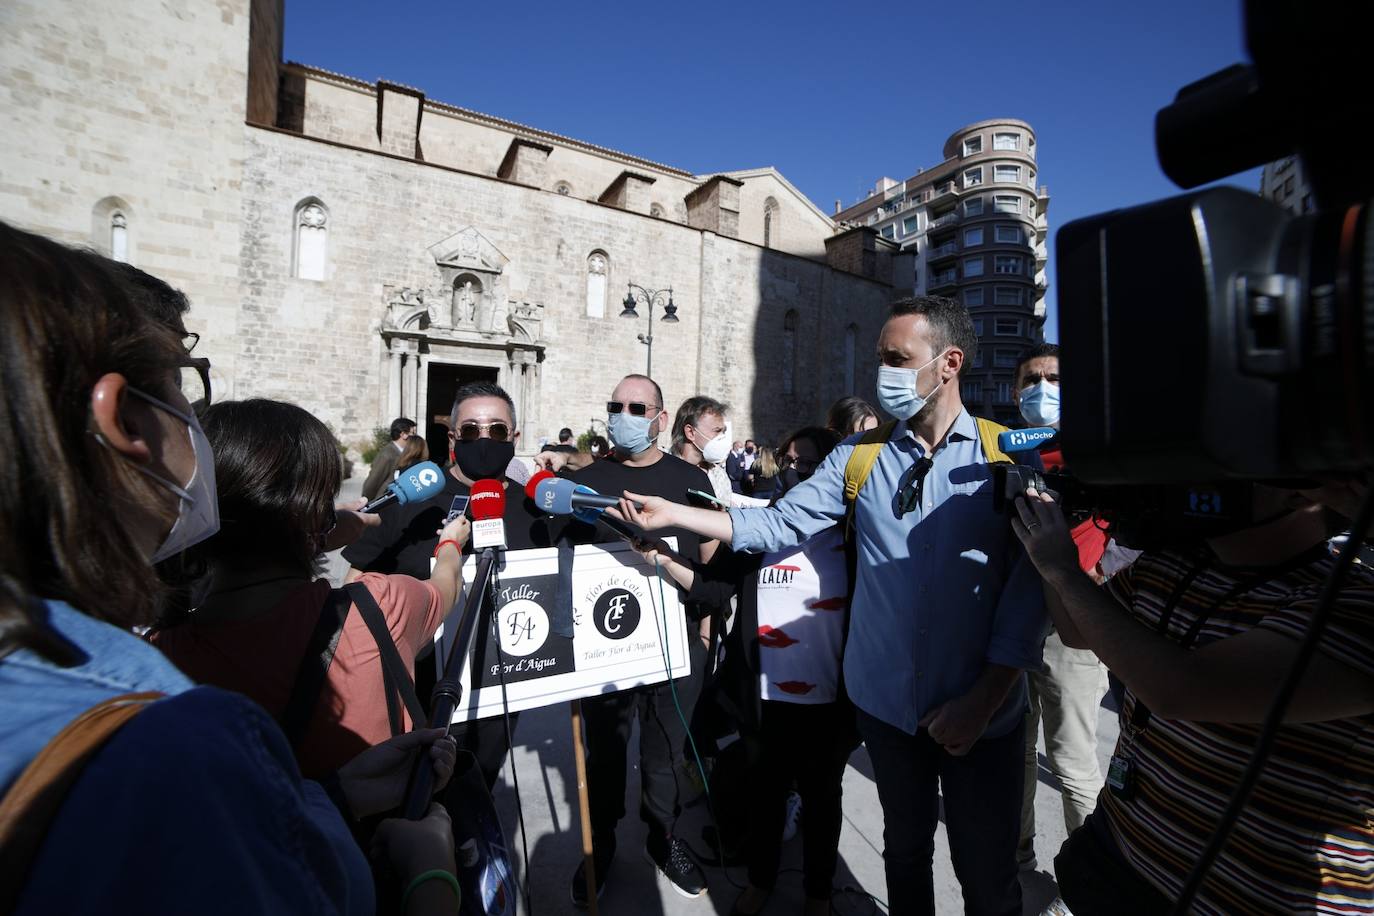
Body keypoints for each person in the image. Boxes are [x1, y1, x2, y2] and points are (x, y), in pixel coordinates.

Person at [0, 222, 458, 914]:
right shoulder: (171, 740)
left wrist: (331, 797)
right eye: (185, 384)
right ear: (123, 417)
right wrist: (431, 880)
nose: (196, 420)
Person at [611, 296, 1048, 915]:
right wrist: (677, 514)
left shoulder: (1010, 455)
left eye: (899, 359)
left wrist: (983, 700)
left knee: (984, 873)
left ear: (949, 364)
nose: (883, 374)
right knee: (905, 858)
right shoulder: (858, 458)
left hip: (985, 716)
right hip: (888, 713)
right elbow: (780, 523)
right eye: (879, 359)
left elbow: (1031, 592)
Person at [1013, 478, 1374, 915]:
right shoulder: (1173, 567)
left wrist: (1062, 572)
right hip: (1122, 866)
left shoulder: (1353, 605)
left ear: (1300, 490)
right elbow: (1075, 630)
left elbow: (1181, 688)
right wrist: (1059, 547)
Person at [149, 398, 470, 778]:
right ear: (317, 509)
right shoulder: (379, 609)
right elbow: (444, 587)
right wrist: (450, 542)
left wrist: (320, 530)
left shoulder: (158, 652)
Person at [637, 425, 854, 916]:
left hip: (830, 700)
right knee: (766, 795)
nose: (799, 471)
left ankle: (819, 894)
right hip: (763, 695)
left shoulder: (851, 534)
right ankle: (760, 881)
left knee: (822, 801)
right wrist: (665, 560)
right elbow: (715, 591)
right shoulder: (759, 528)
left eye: (811, 463)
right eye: (791, 461)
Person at [541, 373, 720, 905]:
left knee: (666, 753)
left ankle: (663, 838)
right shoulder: (584, 482)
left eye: (637, 407)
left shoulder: (693, 480)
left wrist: (706, 634)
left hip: (676, 644)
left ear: (660, 419)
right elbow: (558, 564)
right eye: (615, 405)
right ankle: (601, 845)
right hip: (605, 651)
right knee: (604, 754)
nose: (624, 414)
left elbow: (714, 565)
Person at [344, 382, 555, 790]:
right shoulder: (410, 500)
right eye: (472, 429)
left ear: (513, 437)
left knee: (476, 788)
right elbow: (353, 582)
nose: (484, 438)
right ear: (453, 436)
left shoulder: (533, 508)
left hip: (499, 685)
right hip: (413, 686)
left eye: (496, 430)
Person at [1010, 343, 1111, 872]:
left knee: (1072, 760)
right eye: (1031, 380)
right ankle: (1019, 851)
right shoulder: (1007, 451)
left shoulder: (1098, 451)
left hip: (1074, 621)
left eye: (1052, 378)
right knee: (1017, 752)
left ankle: (1086, 877)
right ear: (1014, 390)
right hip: (1012, 621)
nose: (1041, 389)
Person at [670, 395, 734, 505]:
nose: (722, 437)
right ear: (690, 433)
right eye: (717, 431)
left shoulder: (718, 475)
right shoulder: (664, 465)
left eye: (723, 431)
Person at [363, 417, 416, 501]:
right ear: (403, 435)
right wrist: (367, 504)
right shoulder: (387, 455)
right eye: (413, 433)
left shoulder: (403, 452)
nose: (415, 438)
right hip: (383, 504)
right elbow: (372, 483)